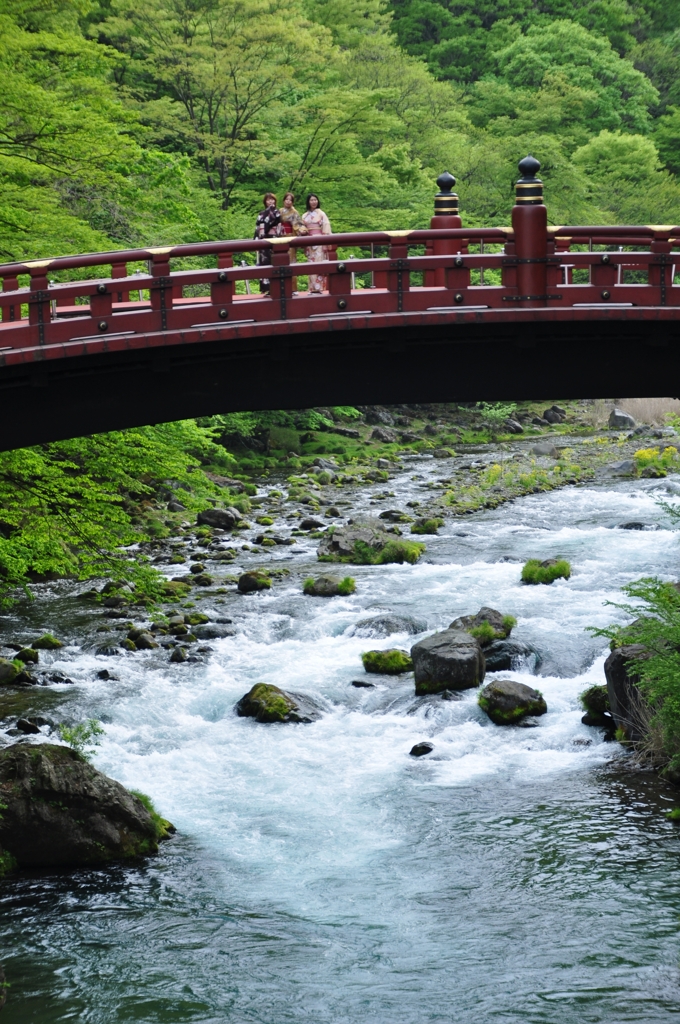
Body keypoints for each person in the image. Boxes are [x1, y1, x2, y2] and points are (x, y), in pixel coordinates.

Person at [302, 193, 331, 294]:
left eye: (315, 200)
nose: (314, 202)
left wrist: (325, 242)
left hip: (319, 241)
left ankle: (319, 288)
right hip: (309, 241)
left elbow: (326, 228)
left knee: (318, 263)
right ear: (308, 202)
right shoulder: (304, 215)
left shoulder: (321, 214)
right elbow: (302, 227)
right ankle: (311, 288)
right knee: (310, 264)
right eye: (311, 200)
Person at [254, 192, 282, 294]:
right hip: (263, 239)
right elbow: (257, 228)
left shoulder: (277, 212)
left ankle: (274, 287)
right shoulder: (261, 214)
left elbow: (278, 225)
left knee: (273, 263)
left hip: (273, 239)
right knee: (264, 263)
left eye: (272, 199)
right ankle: (265, 288)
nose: (270, 201)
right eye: (268, 199)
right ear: (265, 202)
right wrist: (256, 240)